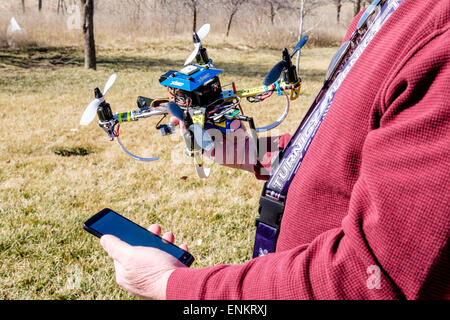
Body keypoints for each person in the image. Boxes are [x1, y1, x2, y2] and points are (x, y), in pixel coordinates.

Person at [100, 0, 449, 300]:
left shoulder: (438, 38)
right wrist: (248, 151)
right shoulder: (383, 13)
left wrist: (172, 285)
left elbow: (369, 278)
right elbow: (343, 155)